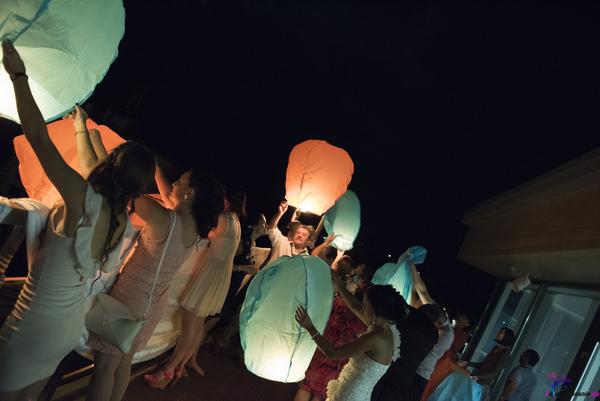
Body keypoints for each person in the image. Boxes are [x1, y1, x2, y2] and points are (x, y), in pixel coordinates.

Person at [0, 40, 155, 401]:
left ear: (112, 164)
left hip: (33, 325)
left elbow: (37, 136)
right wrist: (81, 126)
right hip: (65, 331)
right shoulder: (120, 218)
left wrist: (18, 75)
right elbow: (92, 165)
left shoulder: (83, 199)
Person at [85, 166, 224, 401]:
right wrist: (155, 168)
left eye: (181, 181)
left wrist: (125, 162)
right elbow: (168, 199)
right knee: (123, 364)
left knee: (104, 368)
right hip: (154, 304)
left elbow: (126, 190)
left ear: (190, 193)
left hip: (131, 297)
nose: (174, 184)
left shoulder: (166, 219)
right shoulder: (193, 227)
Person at [144, 185, 244, 388]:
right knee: (197, 323)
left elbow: (194, 222)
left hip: (211, 274)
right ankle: (179, 366)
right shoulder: (235, 220)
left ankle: (168, 369)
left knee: (190, 322)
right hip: (218, 275)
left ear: (227, 201)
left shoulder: (222, 218)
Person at [296, 274, 407, 401]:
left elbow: (332, 353)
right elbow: (355, 306)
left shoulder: (375, 338)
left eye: (366, 305)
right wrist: (340, 287)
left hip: (349, 395)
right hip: (357, 392)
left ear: (375, 310)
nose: (363, 308)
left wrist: (310, 327)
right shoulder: (384, 326)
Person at [294, 248, 366, 401]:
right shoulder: (363, 319)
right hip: (339, 356)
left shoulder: (336, 302)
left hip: (322, 345)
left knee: (307, 386)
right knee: (320, 391)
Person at [428, 327, 516, 401]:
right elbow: (482, 365)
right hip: (475, 380)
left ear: (506, 337)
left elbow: (496, 371)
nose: (498, 333)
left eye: (501, 333)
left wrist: (478, 377)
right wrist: (468, 363)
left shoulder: (505, 353)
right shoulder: (495, 348)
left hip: (483, 384)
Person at [409, 261, 454, 401]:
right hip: (414, 367)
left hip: (420, 373)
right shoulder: (435, 311)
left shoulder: (446, 336)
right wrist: (412, 268)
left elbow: (422, 350)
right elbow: (422, 291)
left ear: (438, 323)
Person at [419, 311, 471, 401]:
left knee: (431, 382)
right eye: (461, 316)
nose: (460, 318)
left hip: (445, 361)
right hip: (442, 358)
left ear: (467, 324)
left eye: (464, 319)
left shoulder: (462, 334)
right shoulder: (452, 329)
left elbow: (453, 347)